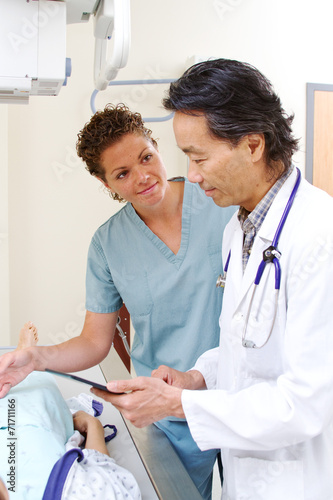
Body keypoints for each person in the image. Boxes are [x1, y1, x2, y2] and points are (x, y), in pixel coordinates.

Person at [89, 59, 333, 500]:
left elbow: (304, 405)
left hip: (300, 480)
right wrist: (196, 378)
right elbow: (243, 349)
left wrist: (180, 404)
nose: (193, 175)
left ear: (253, 144)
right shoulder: (236, 229)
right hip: (246, 474)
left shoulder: (319, 236)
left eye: (198, 157)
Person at [0, 105, 235, 499]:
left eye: (146, 157)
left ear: (156, 146)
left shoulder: (220, 204)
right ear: (104, 182)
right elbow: (94, 341)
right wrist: (38, 358)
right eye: (122, 174)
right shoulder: (107, 246)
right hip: (165, 411)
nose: (142, 177)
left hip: (241, 390)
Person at [0, 323, 140, 500]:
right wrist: (92, 425)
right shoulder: (70, 493)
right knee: (32, 394)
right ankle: (26, 360)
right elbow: (106, 476)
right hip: (36, 423)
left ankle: (24, 356)